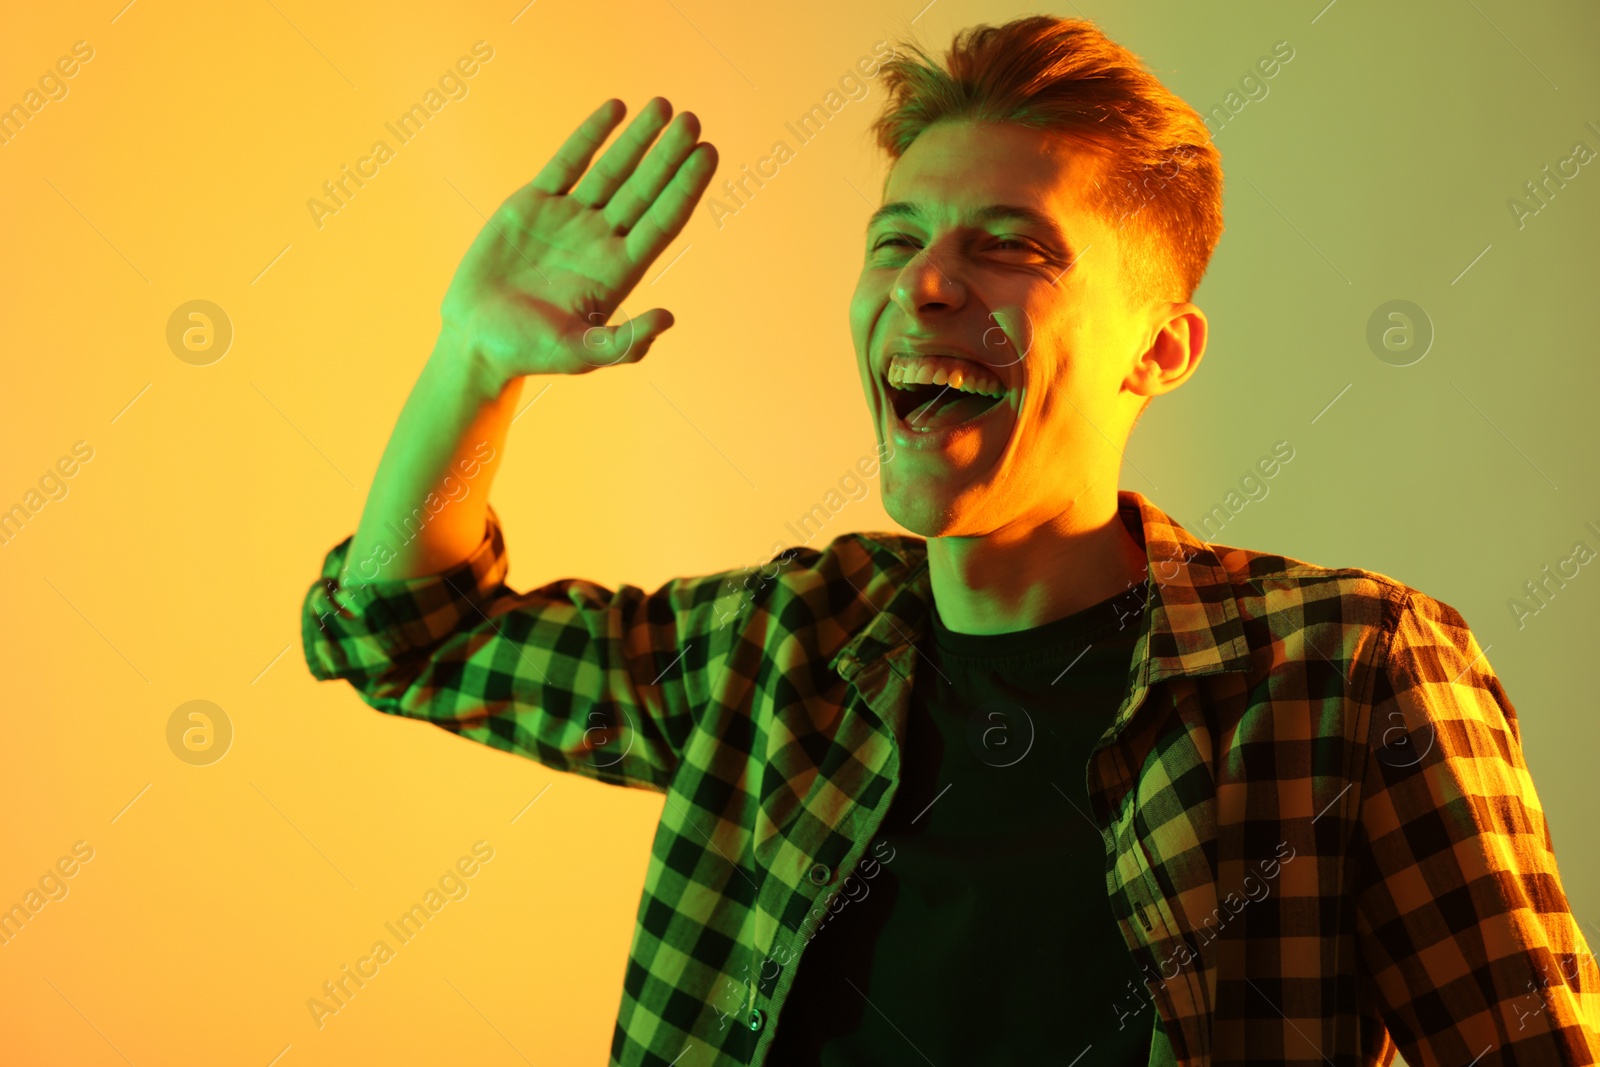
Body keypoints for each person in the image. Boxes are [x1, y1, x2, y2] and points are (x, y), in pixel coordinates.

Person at [300, 14, 1599, 1067]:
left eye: (1008, 247)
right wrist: (472, 364)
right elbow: (408, 634)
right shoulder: (770, 652)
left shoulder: (1347, 673)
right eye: (898, 241)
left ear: (1160, 348)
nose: (925, 283)